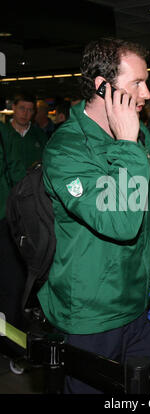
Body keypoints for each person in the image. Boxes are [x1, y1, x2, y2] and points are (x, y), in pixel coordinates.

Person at [37, 38, 150, 394]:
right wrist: (128, 144)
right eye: (137, 83)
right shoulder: (67, 149)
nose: (147, 93)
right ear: (103, 87)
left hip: (139, 303)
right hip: (90, 315)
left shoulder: (141, 135)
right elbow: (119, 221)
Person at [0, 121, 27, 359]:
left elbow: (17, 172)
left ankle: (12, 347)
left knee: (11, 285)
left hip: (4, 221)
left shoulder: (5, 135)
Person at [2, 93, 48, 170]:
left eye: (29, 110)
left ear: (33, 112)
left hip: (33, 181)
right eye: (22, 108)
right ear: (14, 107)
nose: (25, 113)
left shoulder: (40, 136)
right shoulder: (3, 134)